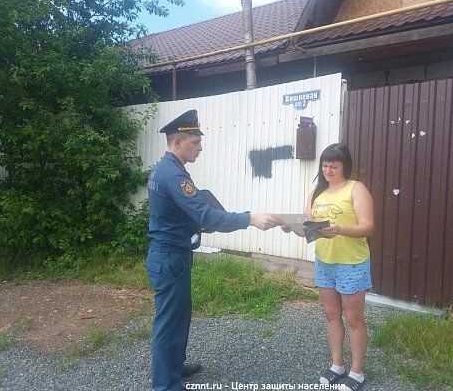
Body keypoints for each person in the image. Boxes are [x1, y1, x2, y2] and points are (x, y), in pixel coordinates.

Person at [145, 109, 281, 391]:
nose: (200, 147)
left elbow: (182, 213)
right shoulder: (174, 175)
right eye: (195, 141)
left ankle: (174, 367)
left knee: (179, 316)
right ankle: (164, 385)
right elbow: (206, 216)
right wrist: (250, 219)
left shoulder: (167, 169)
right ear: (177, 142)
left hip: (172, 255)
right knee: (168, 321)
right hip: (170, 257)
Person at [281, 143, 374, 391]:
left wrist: (339, 228)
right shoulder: (316, 193)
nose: (328, 170)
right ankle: (337, 365)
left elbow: (368, 226)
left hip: (351, 262)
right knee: (331, 315)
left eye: (334, 165)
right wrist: (293, 227)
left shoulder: (356, 189)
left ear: (345, 166)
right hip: (324, 262)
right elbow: (310, 230)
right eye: (324, 165)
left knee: (354, 318)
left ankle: (357, 372)